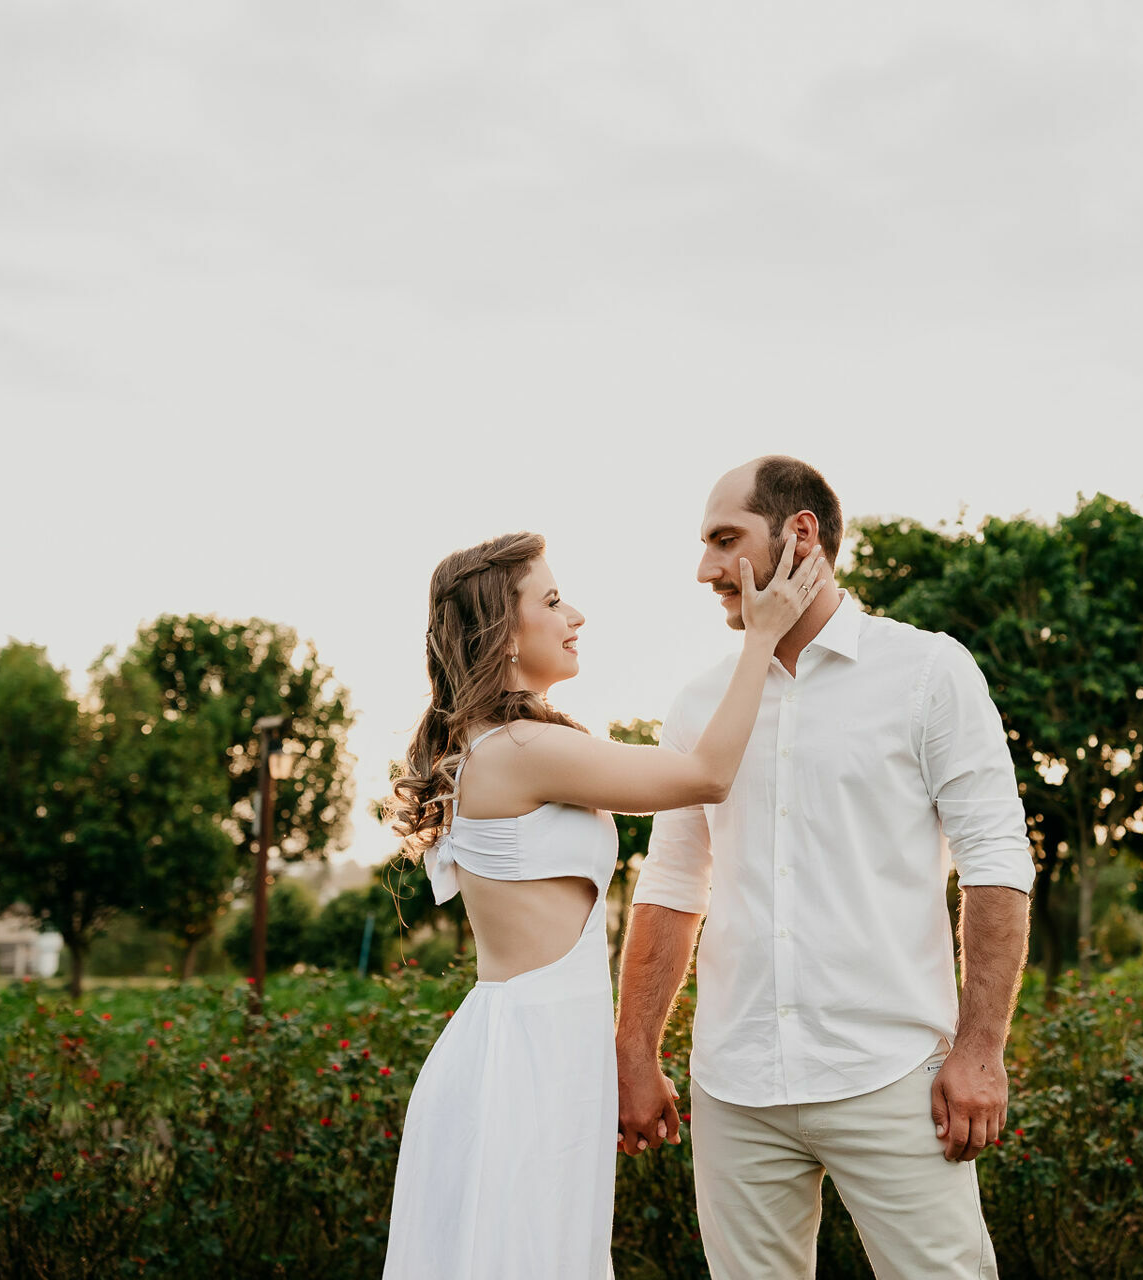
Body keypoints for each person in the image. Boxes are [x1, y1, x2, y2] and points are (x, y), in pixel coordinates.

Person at [616, 457, 1034, 1279]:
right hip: (736, 1087)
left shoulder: (928, 671)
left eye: (725, 541)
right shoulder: (700, 703)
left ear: (799, 534)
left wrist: (981, 1049)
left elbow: (995, 863)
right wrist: (635, 1051)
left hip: (892, 1077)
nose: (706, 569)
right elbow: (670, 886)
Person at [380, 528, 829, 1280]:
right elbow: (708, 775)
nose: (575, 615)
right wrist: (763, 640)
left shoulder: (503, 745)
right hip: (530, 1058)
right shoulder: (520, 751)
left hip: (539, 1046)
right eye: (552, 601)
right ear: (504, 633)